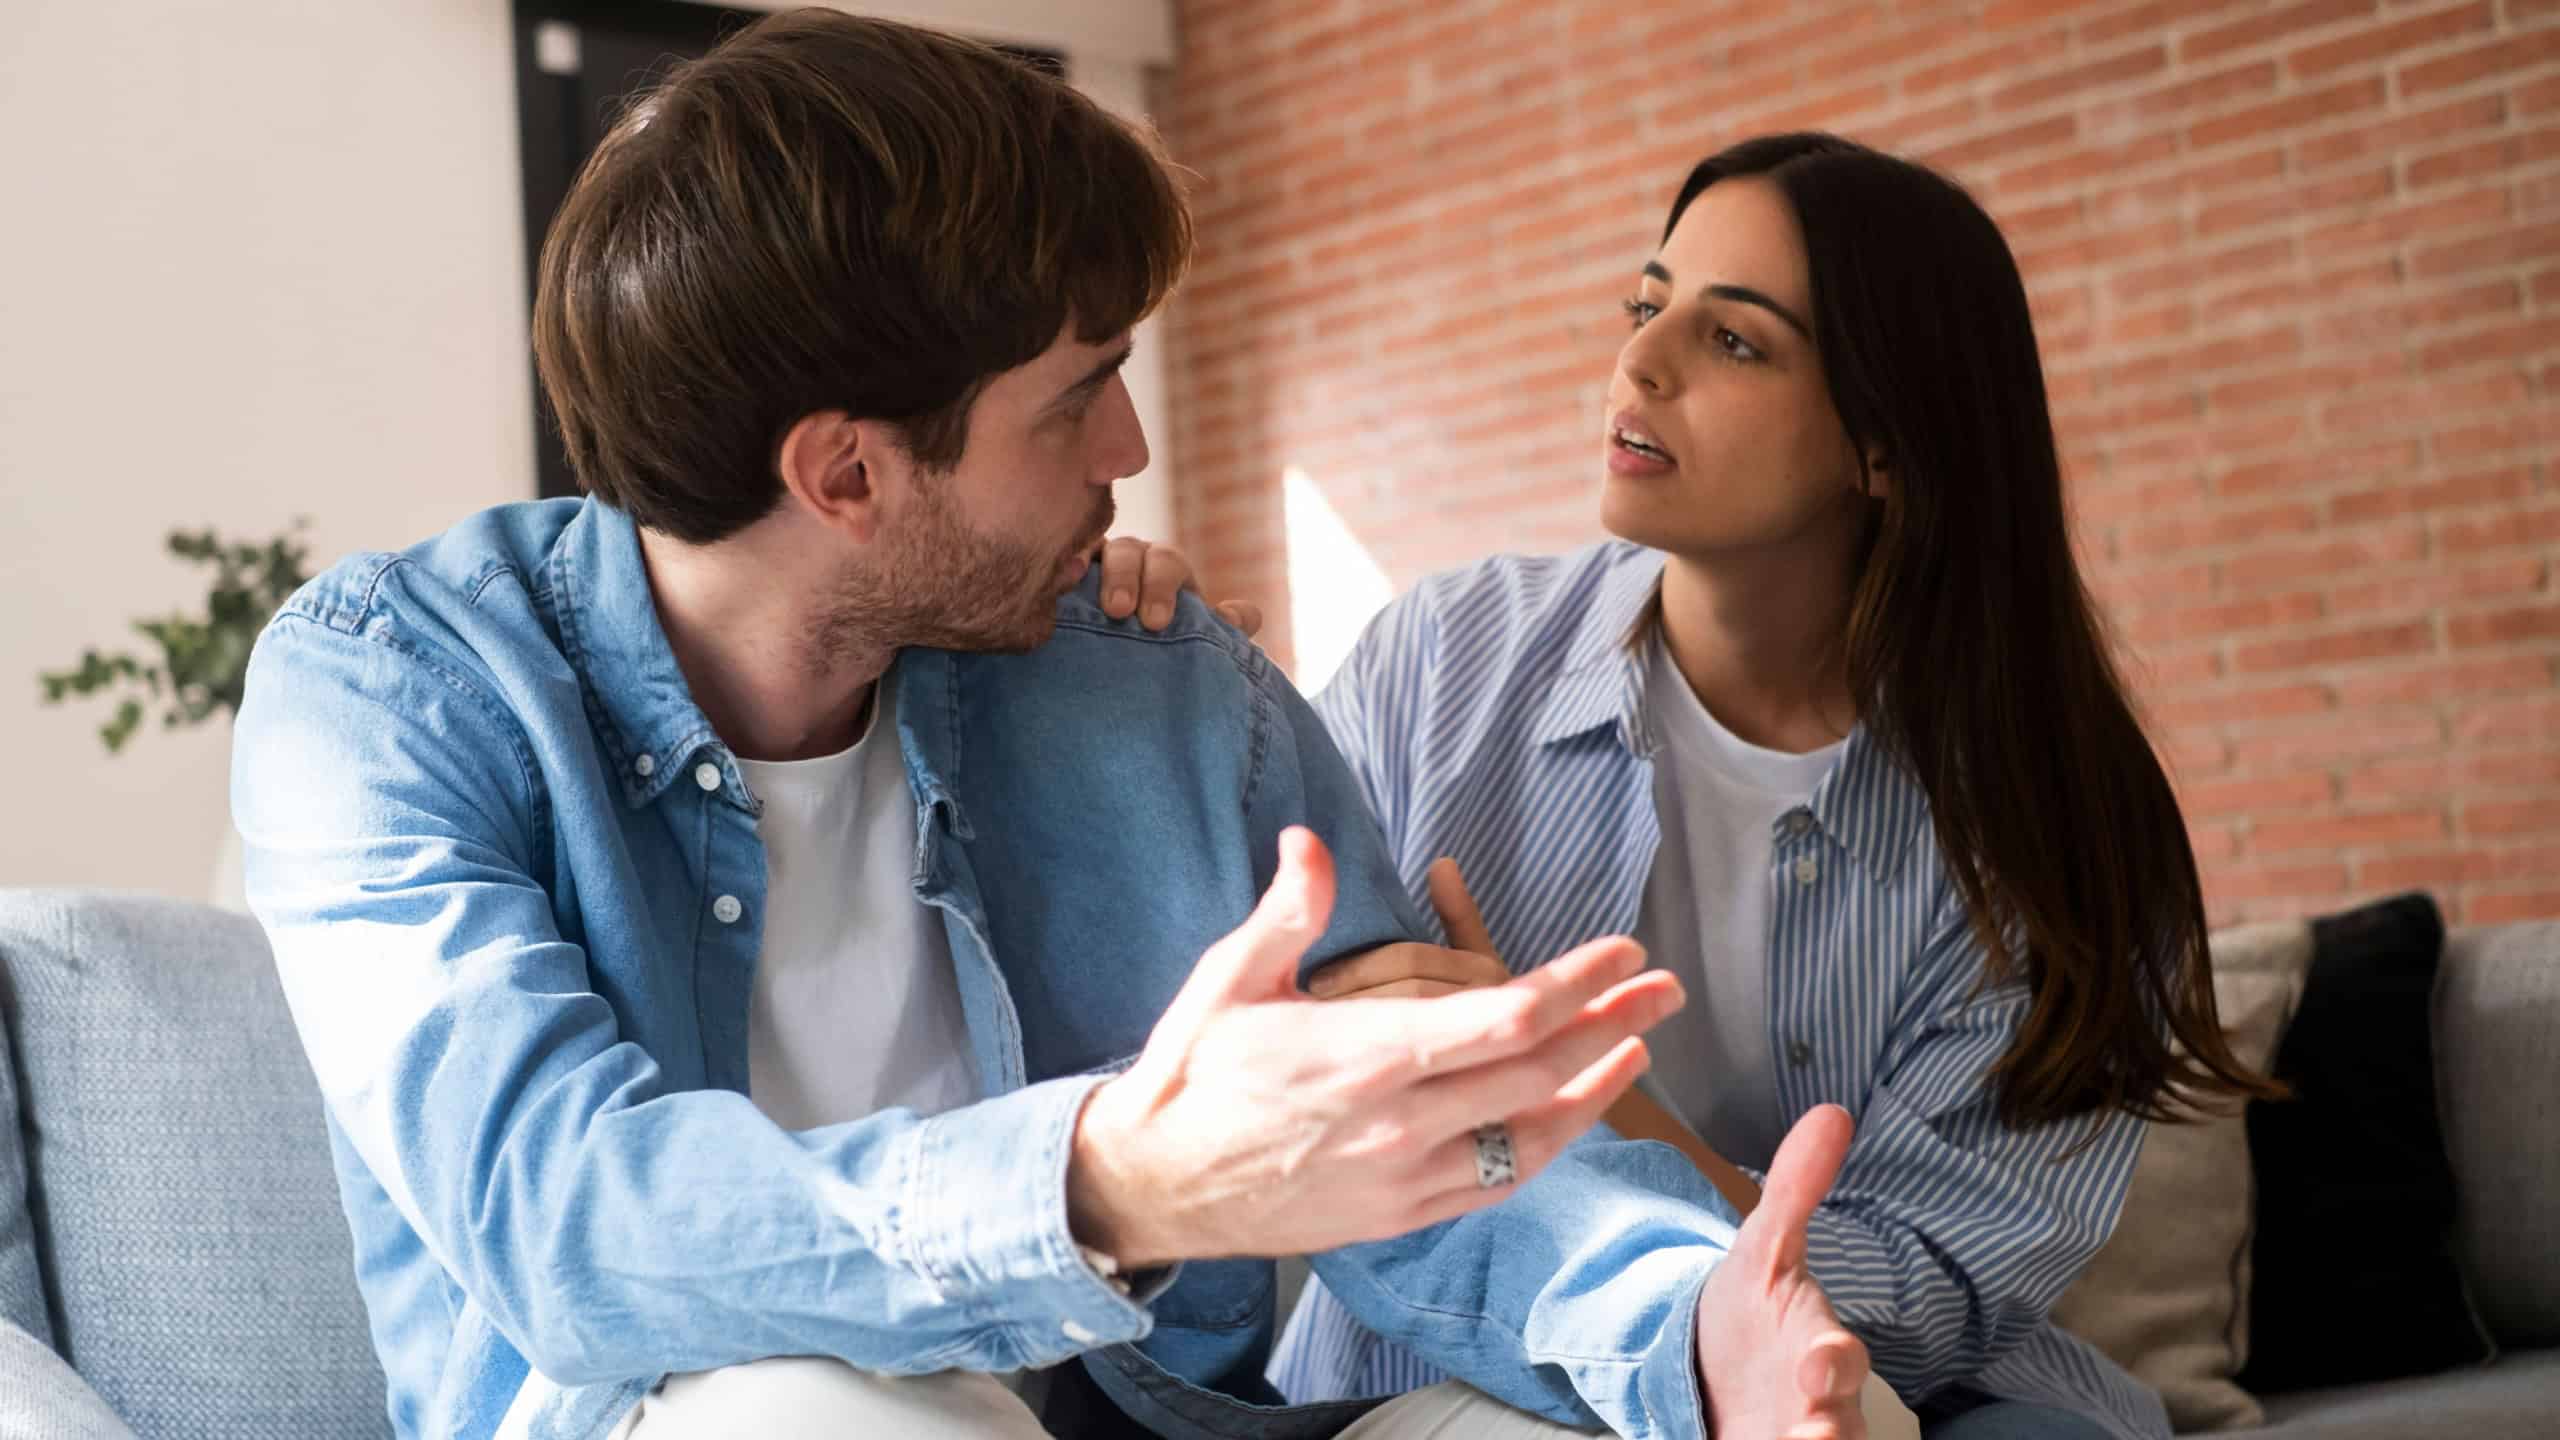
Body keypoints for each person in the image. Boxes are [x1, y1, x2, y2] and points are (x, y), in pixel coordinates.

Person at [231, 17, 1877, 1440]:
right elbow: (566, 1225)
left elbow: (1422, 1150)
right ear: (848, 477)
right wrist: (1116, 1177)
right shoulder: (394, 693)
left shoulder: (1148, 676)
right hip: (696, 1416)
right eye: (1077, 393)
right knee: (823, 1412)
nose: (1132, 442)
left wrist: (1687, 1317)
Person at [1174, 133, 2282, 1440]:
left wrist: (1585, 1102)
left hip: (1891, 1390)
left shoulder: (2053, 824)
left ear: (1888, 443)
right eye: (1649, 307)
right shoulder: (1444, 663)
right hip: (1446, 1372)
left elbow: (1930, 1297)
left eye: (1734, 340)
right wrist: (1150, 673)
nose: (1639, 362)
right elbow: (1245, 1048)